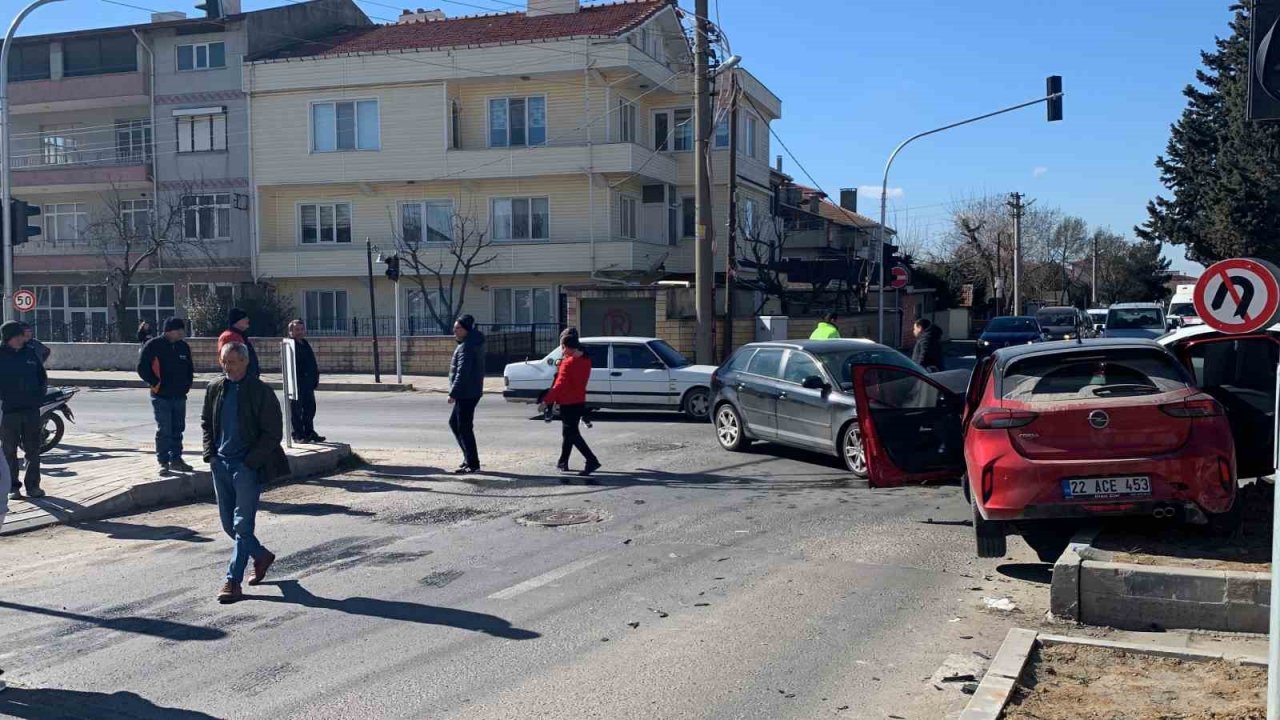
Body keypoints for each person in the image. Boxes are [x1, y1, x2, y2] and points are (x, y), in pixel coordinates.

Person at [202, 342, 290, 604]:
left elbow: (273, 431)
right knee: (229, 525)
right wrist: (211, 455)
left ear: (245, 362)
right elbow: (207, 422)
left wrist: (250, 462)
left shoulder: (260, 391)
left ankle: (232, 581)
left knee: (242, 525)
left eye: (233, 362)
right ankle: (261, 555)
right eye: (224, 362)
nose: (228, 367)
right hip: (221, 464)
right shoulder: (215, 388)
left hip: (246, 466)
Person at [137, 317, 195, 475]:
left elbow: (189, 369)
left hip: (179, 396)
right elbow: (142, 368)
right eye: (181, 330)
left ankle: (176, 459)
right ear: (171, 330)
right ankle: (163, 462)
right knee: (165, 429)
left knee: (178, 429)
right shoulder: (154, 345)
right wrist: (155, 382)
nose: (183, 333)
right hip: (161, 396)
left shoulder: (183, 347)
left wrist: (186, 385)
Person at [542, 333, 601, 482]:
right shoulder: (585, 359)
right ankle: (563, 462)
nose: (562, 351)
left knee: (572, 433)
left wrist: (547, 401)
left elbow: (559, 385)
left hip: (568, 402)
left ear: (568, 347)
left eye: (563, 347)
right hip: (579, 400)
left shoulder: (569, 362)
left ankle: (591, 460)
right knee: (568, 432)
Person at [0, 321, 47, 499]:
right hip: (8, 411)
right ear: (9, 338)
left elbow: (41, 377)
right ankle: (13, 487)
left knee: (33, 450)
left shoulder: (30, 353)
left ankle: (33, 486)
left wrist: (38, 398)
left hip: (31, 410)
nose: (22, 338)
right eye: (18, 335)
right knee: (9, 451)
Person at [447, 315, 485, 474]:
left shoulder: (467, 347)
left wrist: (453, 393)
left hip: (466, 393)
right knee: (455, 424)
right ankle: (468, 458)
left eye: (458, 328)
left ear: (466, 330)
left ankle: (473, 463)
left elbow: (462, 372)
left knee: (464, 427)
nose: (454, 331)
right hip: (471, 391)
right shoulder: (471, 343)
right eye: (455, 327)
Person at [287, 319, 325, 443]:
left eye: (301, 329)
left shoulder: (304, 343)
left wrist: (315, 378)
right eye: (297, 329)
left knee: (310, 409)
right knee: (296, 411)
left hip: (308, 384)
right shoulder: (289, 345)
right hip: (297, 384)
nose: (300, 332)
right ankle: (298, 434)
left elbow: (311, 362)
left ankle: (309, 432)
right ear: (291, 331)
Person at [218, 308, 260, 380]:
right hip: (238, 379)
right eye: (245, 318)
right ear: (237, 321)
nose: (248, 320)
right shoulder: (229, 336)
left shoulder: (240, 335)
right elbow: (227, 359)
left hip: (246, 378)